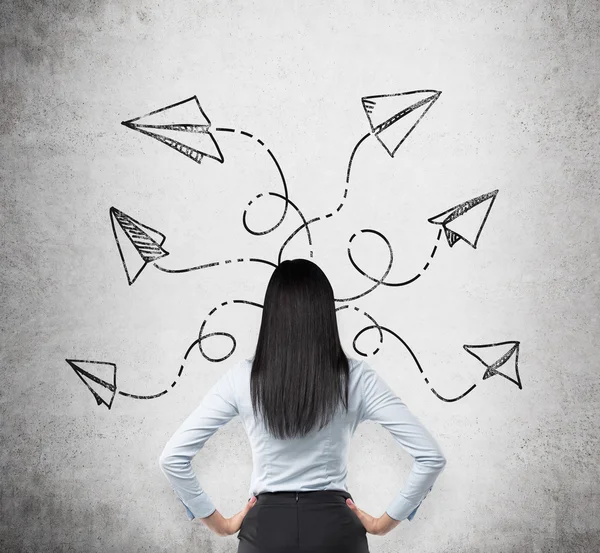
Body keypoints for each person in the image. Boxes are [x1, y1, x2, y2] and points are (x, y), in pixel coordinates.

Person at [158, 258, 447, 552]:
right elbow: (431, 457)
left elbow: (172, 457)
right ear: (325, 313)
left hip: (265, 531)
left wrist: (220, 525)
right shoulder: (357, 377)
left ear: (271, 315)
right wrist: (384, 524)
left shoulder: (242, 378)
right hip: (336, 530)